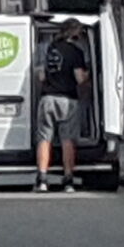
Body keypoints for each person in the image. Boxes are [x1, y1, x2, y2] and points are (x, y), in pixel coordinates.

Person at [33, 18, 93, 189]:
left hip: (47, 99)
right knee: (67, 140)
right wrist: (89, 74)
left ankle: (42, 179)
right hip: (67, 100)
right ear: (75, 33)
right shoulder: (75, 52)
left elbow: (41, 76)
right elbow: (79, 78)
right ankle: (68, 179)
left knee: (44, 139)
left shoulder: (51, 49)